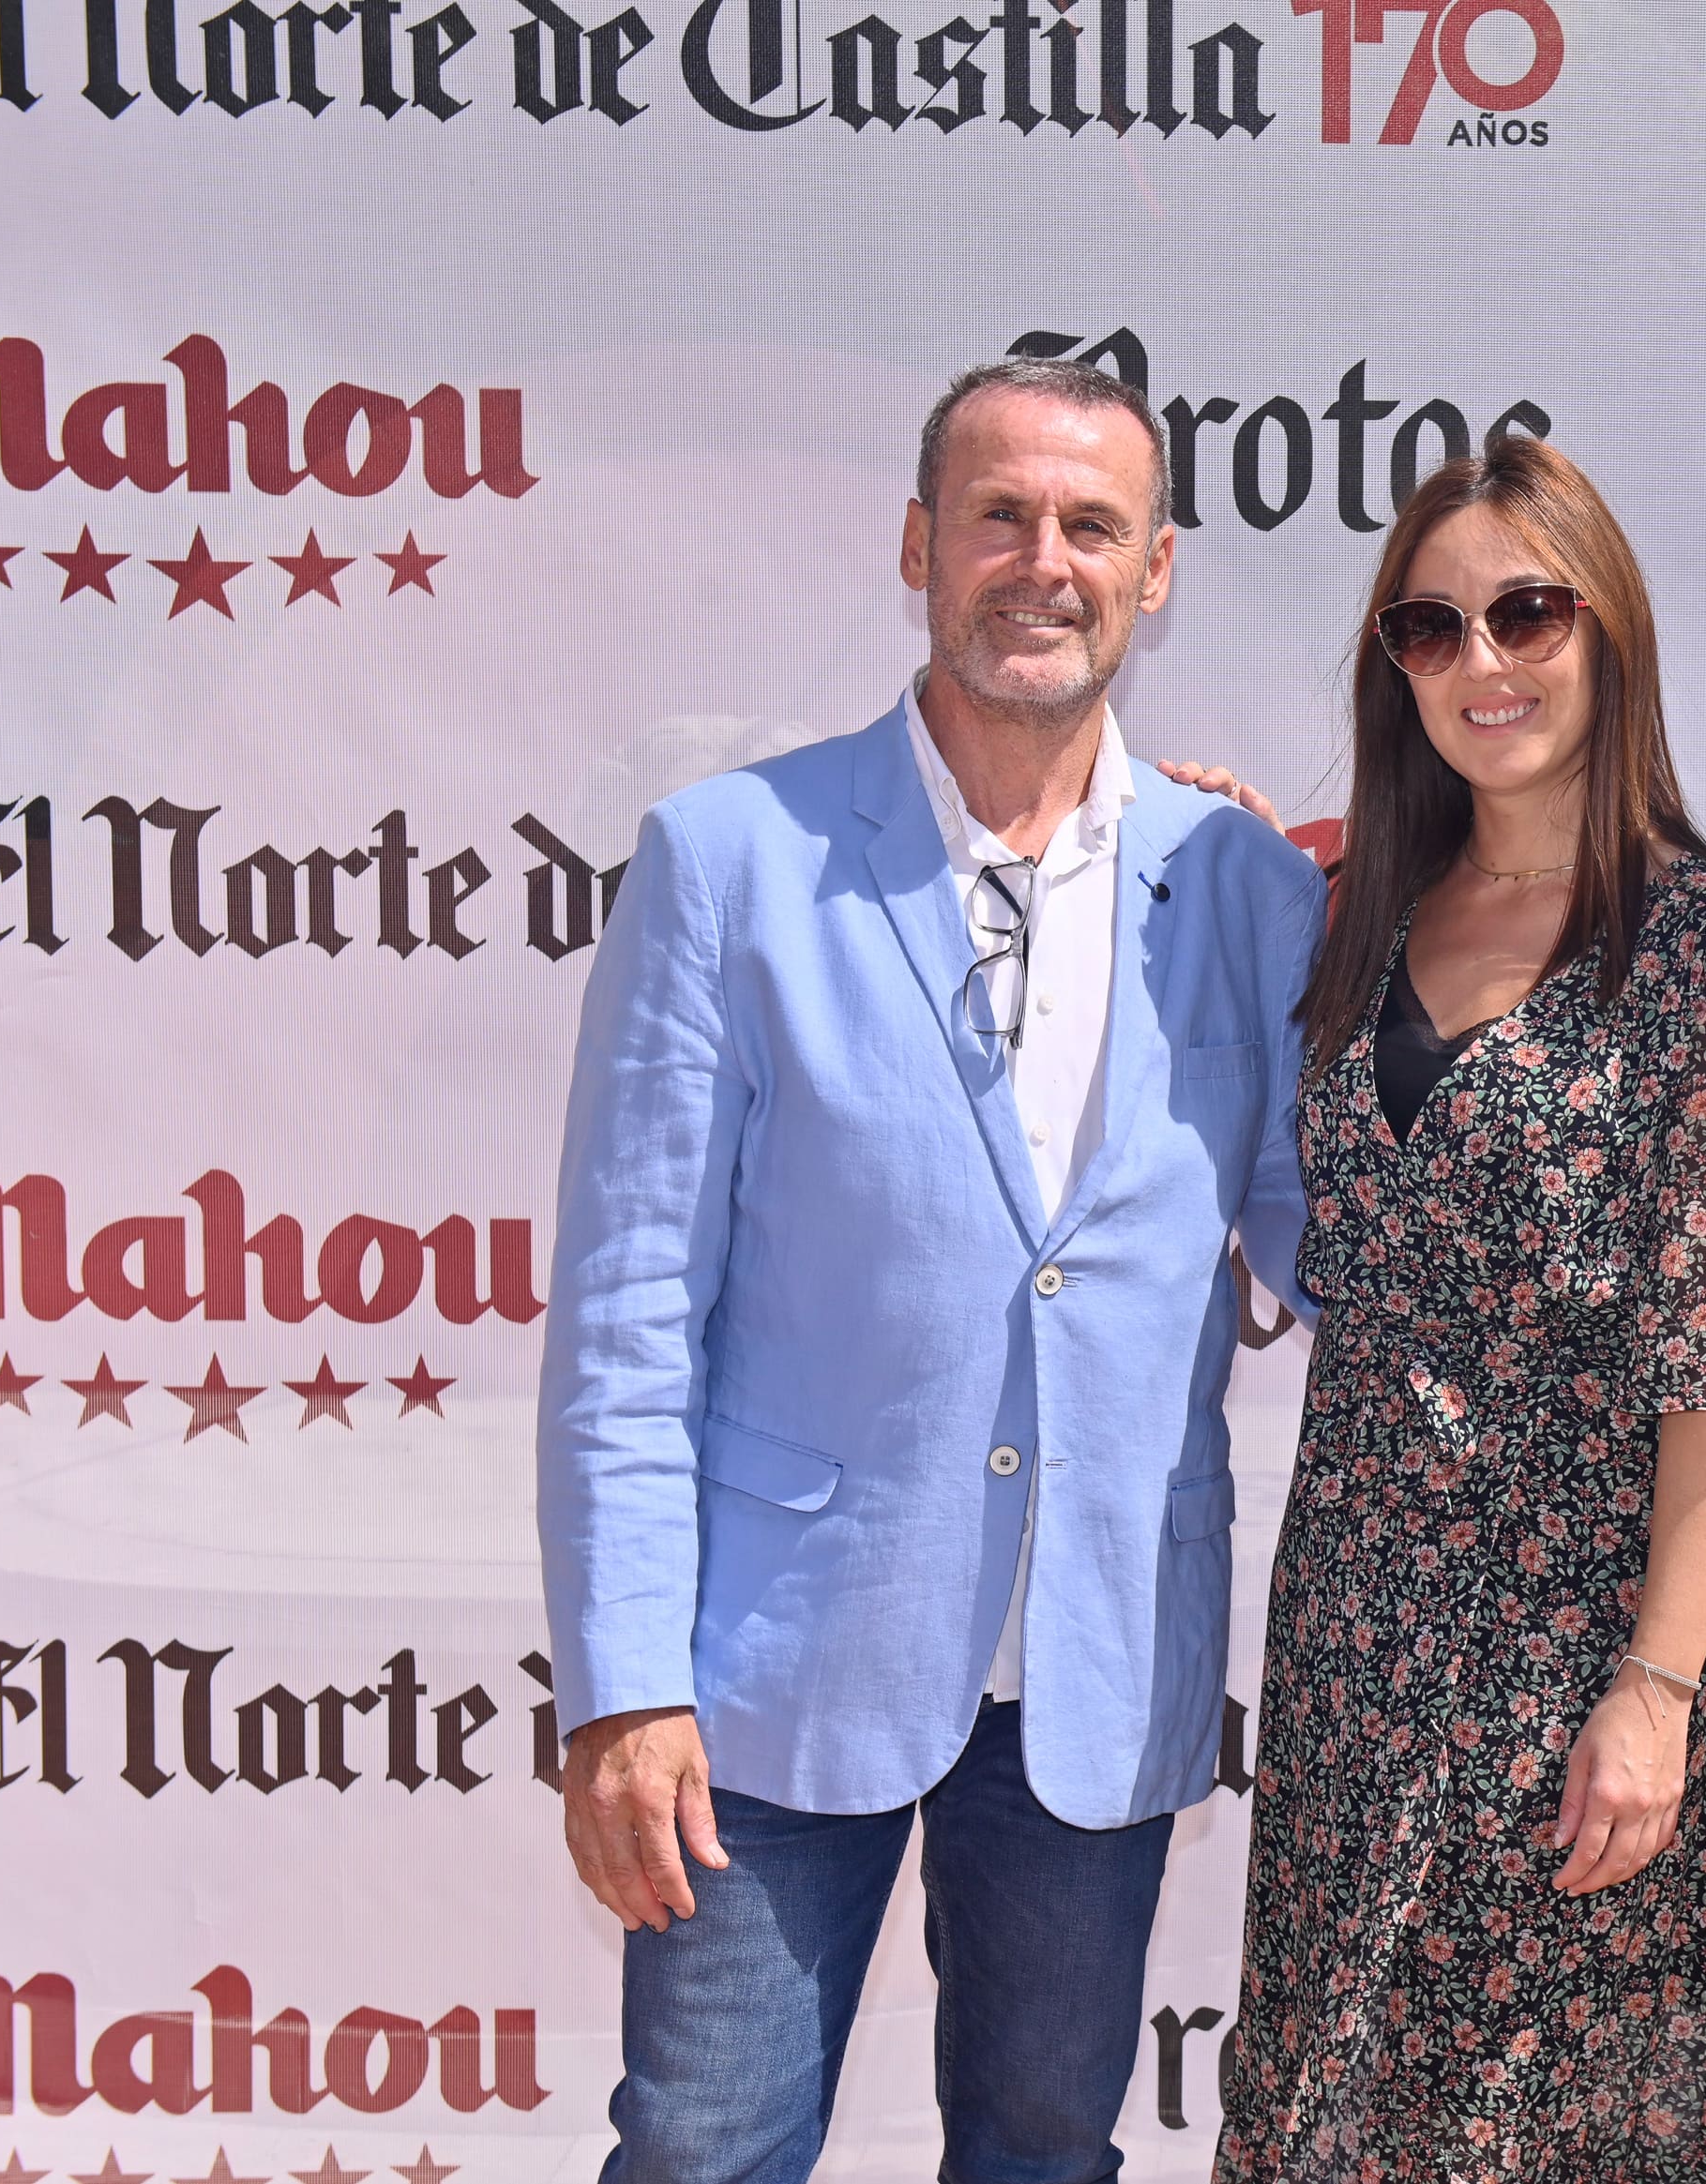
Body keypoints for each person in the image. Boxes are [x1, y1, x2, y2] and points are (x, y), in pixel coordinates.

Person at [534, 356, 1326, 2184]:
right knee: (705, 2151)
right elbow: (628, 1315)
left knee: (1045, 2151)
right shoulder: (730, 859)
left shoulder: (1242, 888)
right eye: (999, 516)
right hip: (766, 1664)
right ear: (919, 544)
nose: (1040, 562)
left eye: (1089, 527)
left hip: (1098, 1657)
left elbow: (1340, 1243)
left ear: (1156, 573)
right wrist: (623, 1681)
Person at [1208, 433, 1706, 2181]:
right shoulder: (1352, 931)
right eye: (1431, 627)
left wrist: (1657, 1689)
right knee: (1338, 2124)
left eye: (1527, 612)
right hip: (1353, 1649)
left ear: (1607, 630)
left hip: (1580, 1662)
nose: (1483, 663)